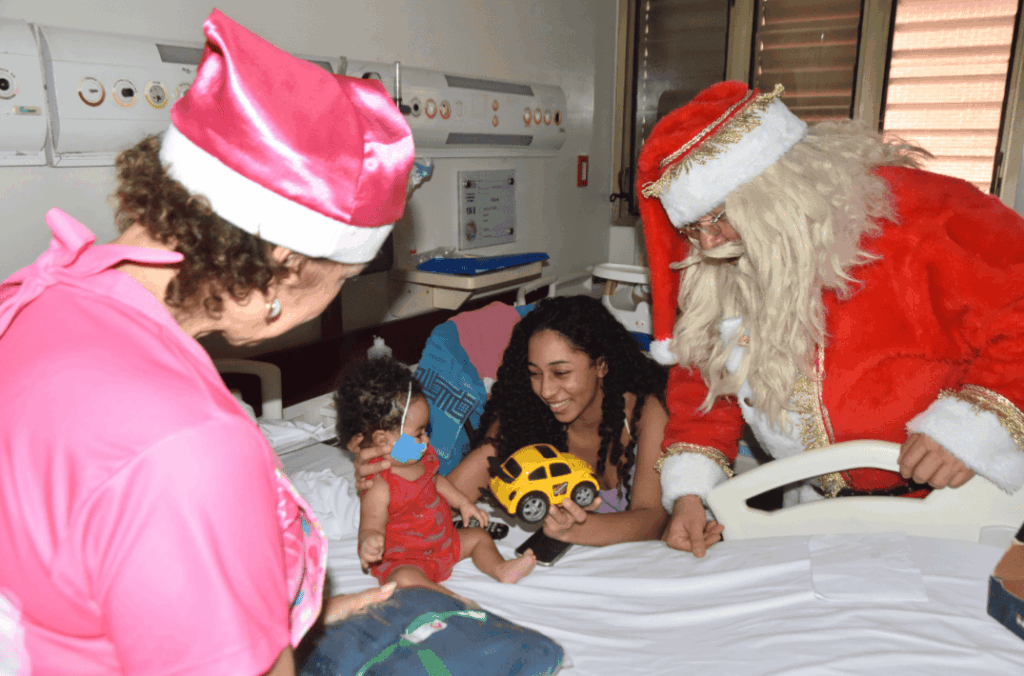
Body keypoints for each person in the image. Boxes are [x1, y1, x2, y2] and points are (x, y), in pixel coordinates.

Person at [0, 10, 414, 676]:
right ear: (286, 266)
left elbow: (76, 579)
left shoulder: (38, 301)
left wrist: (266, 622)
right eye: (342, 279)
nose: (332, 300)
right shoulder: (189, 445)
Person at [636, 80, 1024, 557]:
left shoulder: (922, 215)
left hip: (960, 505)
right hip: (818, 508)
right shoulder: (723, 267)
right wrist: (691, 495)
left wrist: (971, 429)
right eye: (693, 229)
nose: (709, 242)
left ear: (768, 188)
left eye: (718, 217)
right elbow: (707, 381)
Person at [354, 295, 672, 546]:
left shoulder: (645, 413)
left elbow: (653, 520)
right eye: (535, 374)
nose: (546, 390)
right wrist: (389, 478)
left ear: (601, 365)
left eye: (561, 373)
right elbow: (441, 501)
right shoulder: (528, 416)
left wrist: (576, 529)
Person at [335, 358, 537, 597]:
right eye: (419, 433)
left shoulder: (423, 457)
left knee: (479, 537)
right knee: (402, 578)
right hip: (406, 558)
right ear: (382, 440)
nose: (426, 439)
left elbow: (437, 482)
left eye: (425, 431)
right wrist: (370, 540)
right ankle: (445, 596)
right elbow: (371, 523)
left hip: (444, 544)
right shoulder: (380, 484)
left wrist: (463, 503)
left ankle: (500, 569)